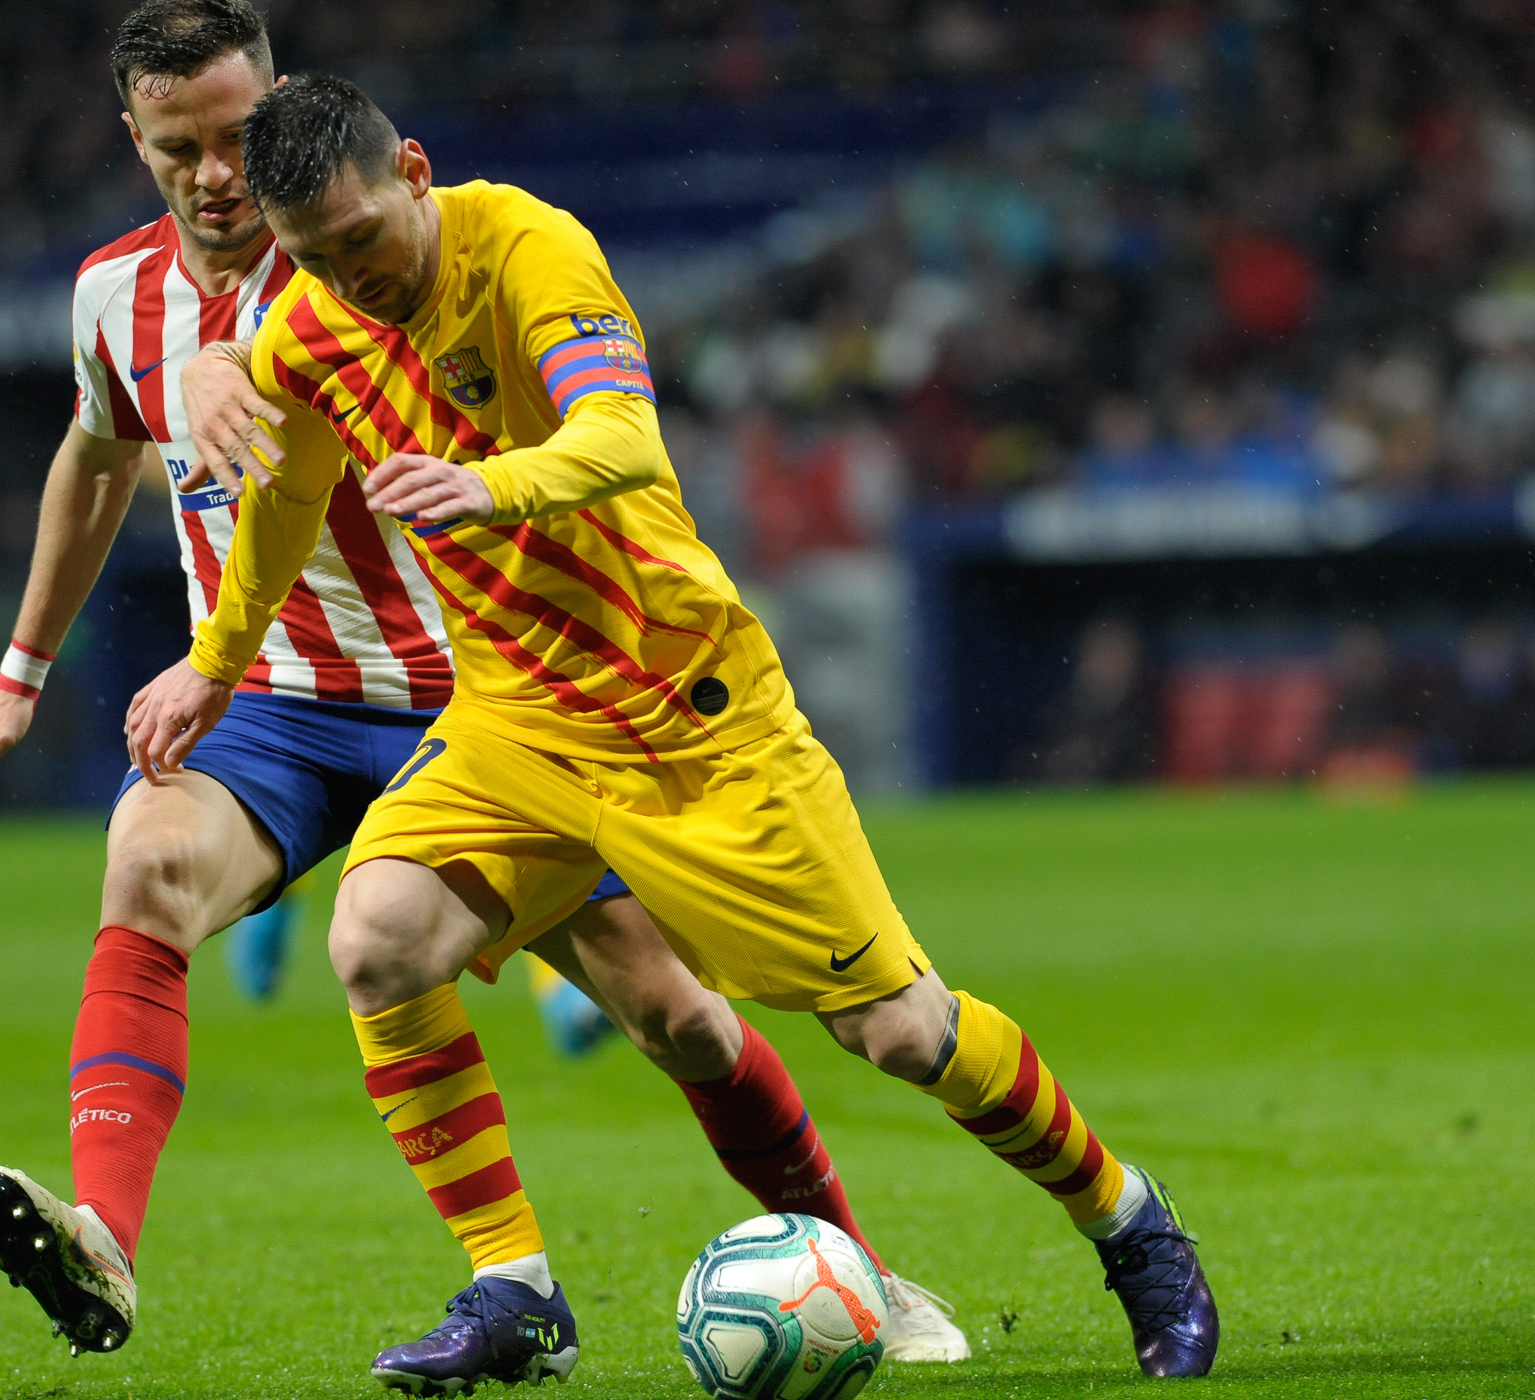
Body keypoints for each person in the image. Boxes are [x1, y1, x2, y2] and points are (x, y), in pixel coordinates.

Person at [132, 74, 1218, 1392]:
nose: (349, 281)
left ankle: (1131, 1227)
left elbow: (623, 438)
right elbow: (287, 504)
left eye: (363, 242)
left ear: (414, 173)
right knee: (378, 939)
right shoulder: (310, 327)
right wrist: (215, 662)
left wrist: (487, 487)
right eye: (314, 259)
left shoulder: (529, 246)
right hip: (514, 721)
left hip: (683, 711)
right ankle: (514, 1289)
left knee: (904, 1035)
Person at [0, 0, 966, 1368]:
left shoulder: (371, 260)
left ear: (287, 108)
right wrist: (20, 675)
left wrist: (235, 357)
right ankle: (114, 1247)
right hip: (277, 704)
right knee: (145, 870)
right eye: (179, 148)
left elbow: (467, 364)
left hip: (478, 696)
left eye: (240, 136)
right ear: (136, 140)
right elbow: (96, 452)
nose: (216, 174)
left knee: (671, 1012)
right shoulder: (111, 300)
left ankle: (861, 1273)